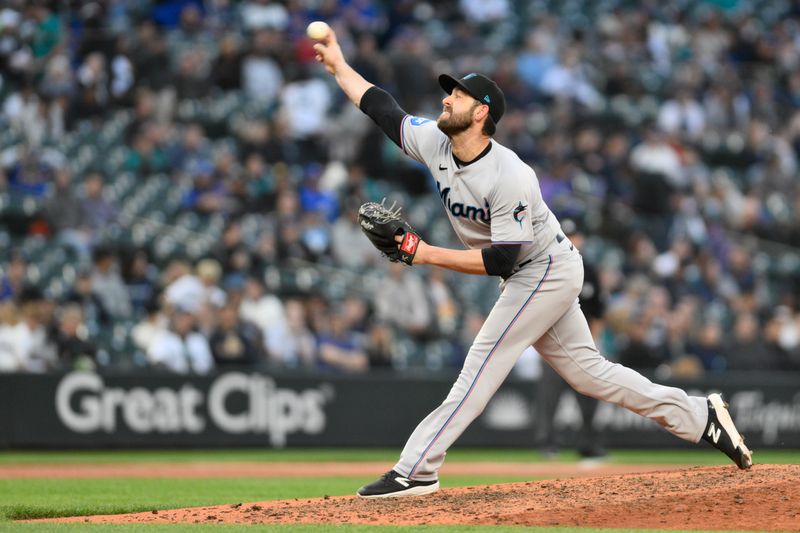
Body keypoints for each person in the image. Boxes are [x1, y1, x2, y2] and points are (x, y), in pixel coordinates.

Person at [311, 27, 753, 499]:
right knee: (590, 374)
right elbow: (382, 108)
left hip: (544, 268)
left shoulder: (510, 174)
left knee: (481, 364)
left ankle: (416, 468)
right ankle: (699, 416)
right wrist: (339, 65)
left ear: (481, 112)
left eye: (457, 95)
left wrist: (422, 253)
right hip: (534, 271)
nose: (446, 100)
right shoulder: (435, 143)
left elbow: (504, 259)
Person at [533, 218, 606, 459]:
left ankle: (589, 444)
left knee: (590, 397)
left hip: (582, 345)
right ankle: (548, 444)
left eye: (575, 236)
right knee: (549, 399)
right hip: (553, 345)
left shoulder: (591, 269)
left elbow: (598, 312)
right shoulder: (549, 265)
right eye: (568, 235)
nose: (572, 240)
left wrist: (593, 344)